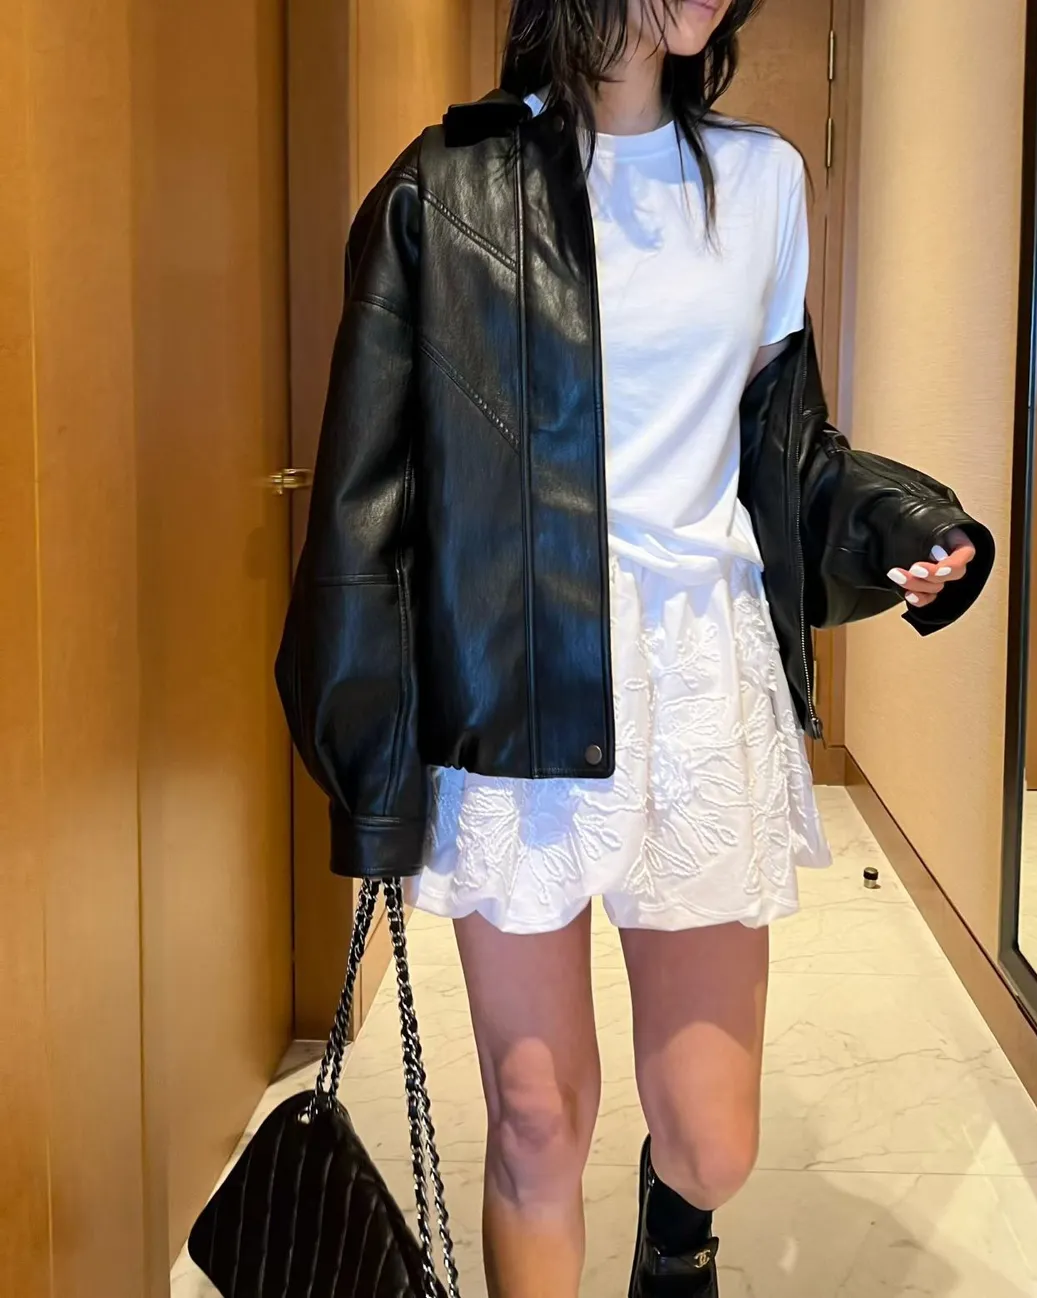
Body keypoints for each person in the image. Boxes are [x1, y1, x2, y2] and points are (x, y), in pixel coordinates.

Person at [276, 1, 994, 1294]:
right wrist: (369, 772)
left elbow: (782, 449)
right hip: (515, 681)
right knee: (538, 1119)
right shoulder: (446, 191)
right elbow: (362, 504)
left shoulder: (763, 182)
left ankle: (675, 1233)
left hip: (702, 675)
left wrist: (900, 520)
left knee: (715, 1141)